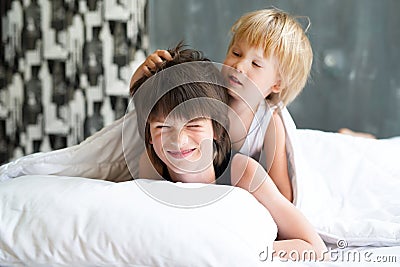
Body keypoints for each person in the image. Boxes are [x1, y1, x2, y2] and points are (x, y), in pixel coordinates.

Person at [131, 43, 327, 260]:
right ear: (149, 135)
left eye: (194, 125)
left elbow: (315, 247)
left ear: (216, 129)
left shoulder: (243, 173)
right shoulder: (150, 167)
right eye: (162, 127)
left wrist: (247, 250)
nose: (178, 141)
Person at [131, 8, 313, 202]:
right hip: (185, 175)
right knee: (146, 160)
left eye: (256, 64)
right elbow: (154, 108)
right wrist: (145, 74)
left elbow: (283, 192)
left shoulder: (269, 121)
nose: (239, 66)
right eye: (236, 53)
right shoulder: (209, 91)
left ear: (277, 84)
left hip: (233, 193)